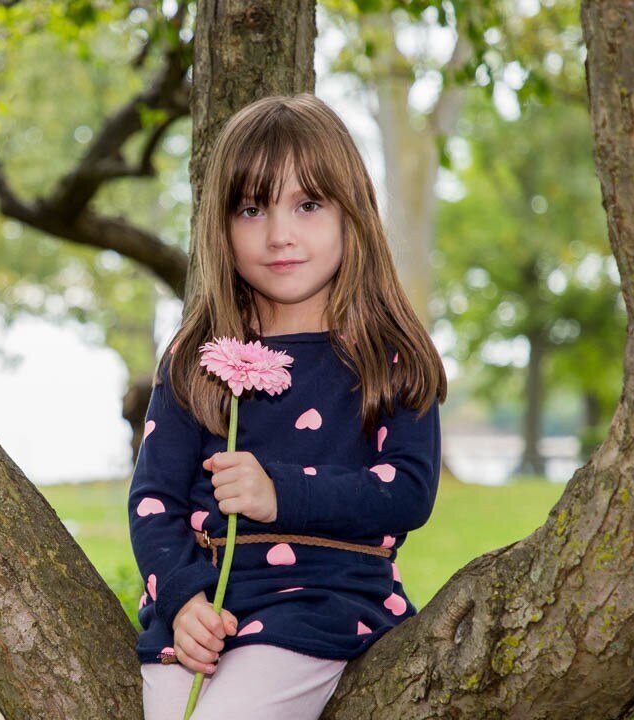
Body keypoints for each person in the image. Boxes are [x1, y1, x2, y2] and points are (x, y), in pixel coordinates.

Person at [127, 92, 447, 720]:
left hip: (321, 606)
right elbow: (154, 501)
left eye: (307, 205)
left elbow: (408, 490)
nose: (279, 235)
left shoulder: (389, 356)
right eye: (251, 209)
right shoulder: (197, 357)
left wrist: (282, 494)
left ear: (352, 213)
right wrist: (185, 601)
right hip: (200, 617)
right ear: (220, 225)